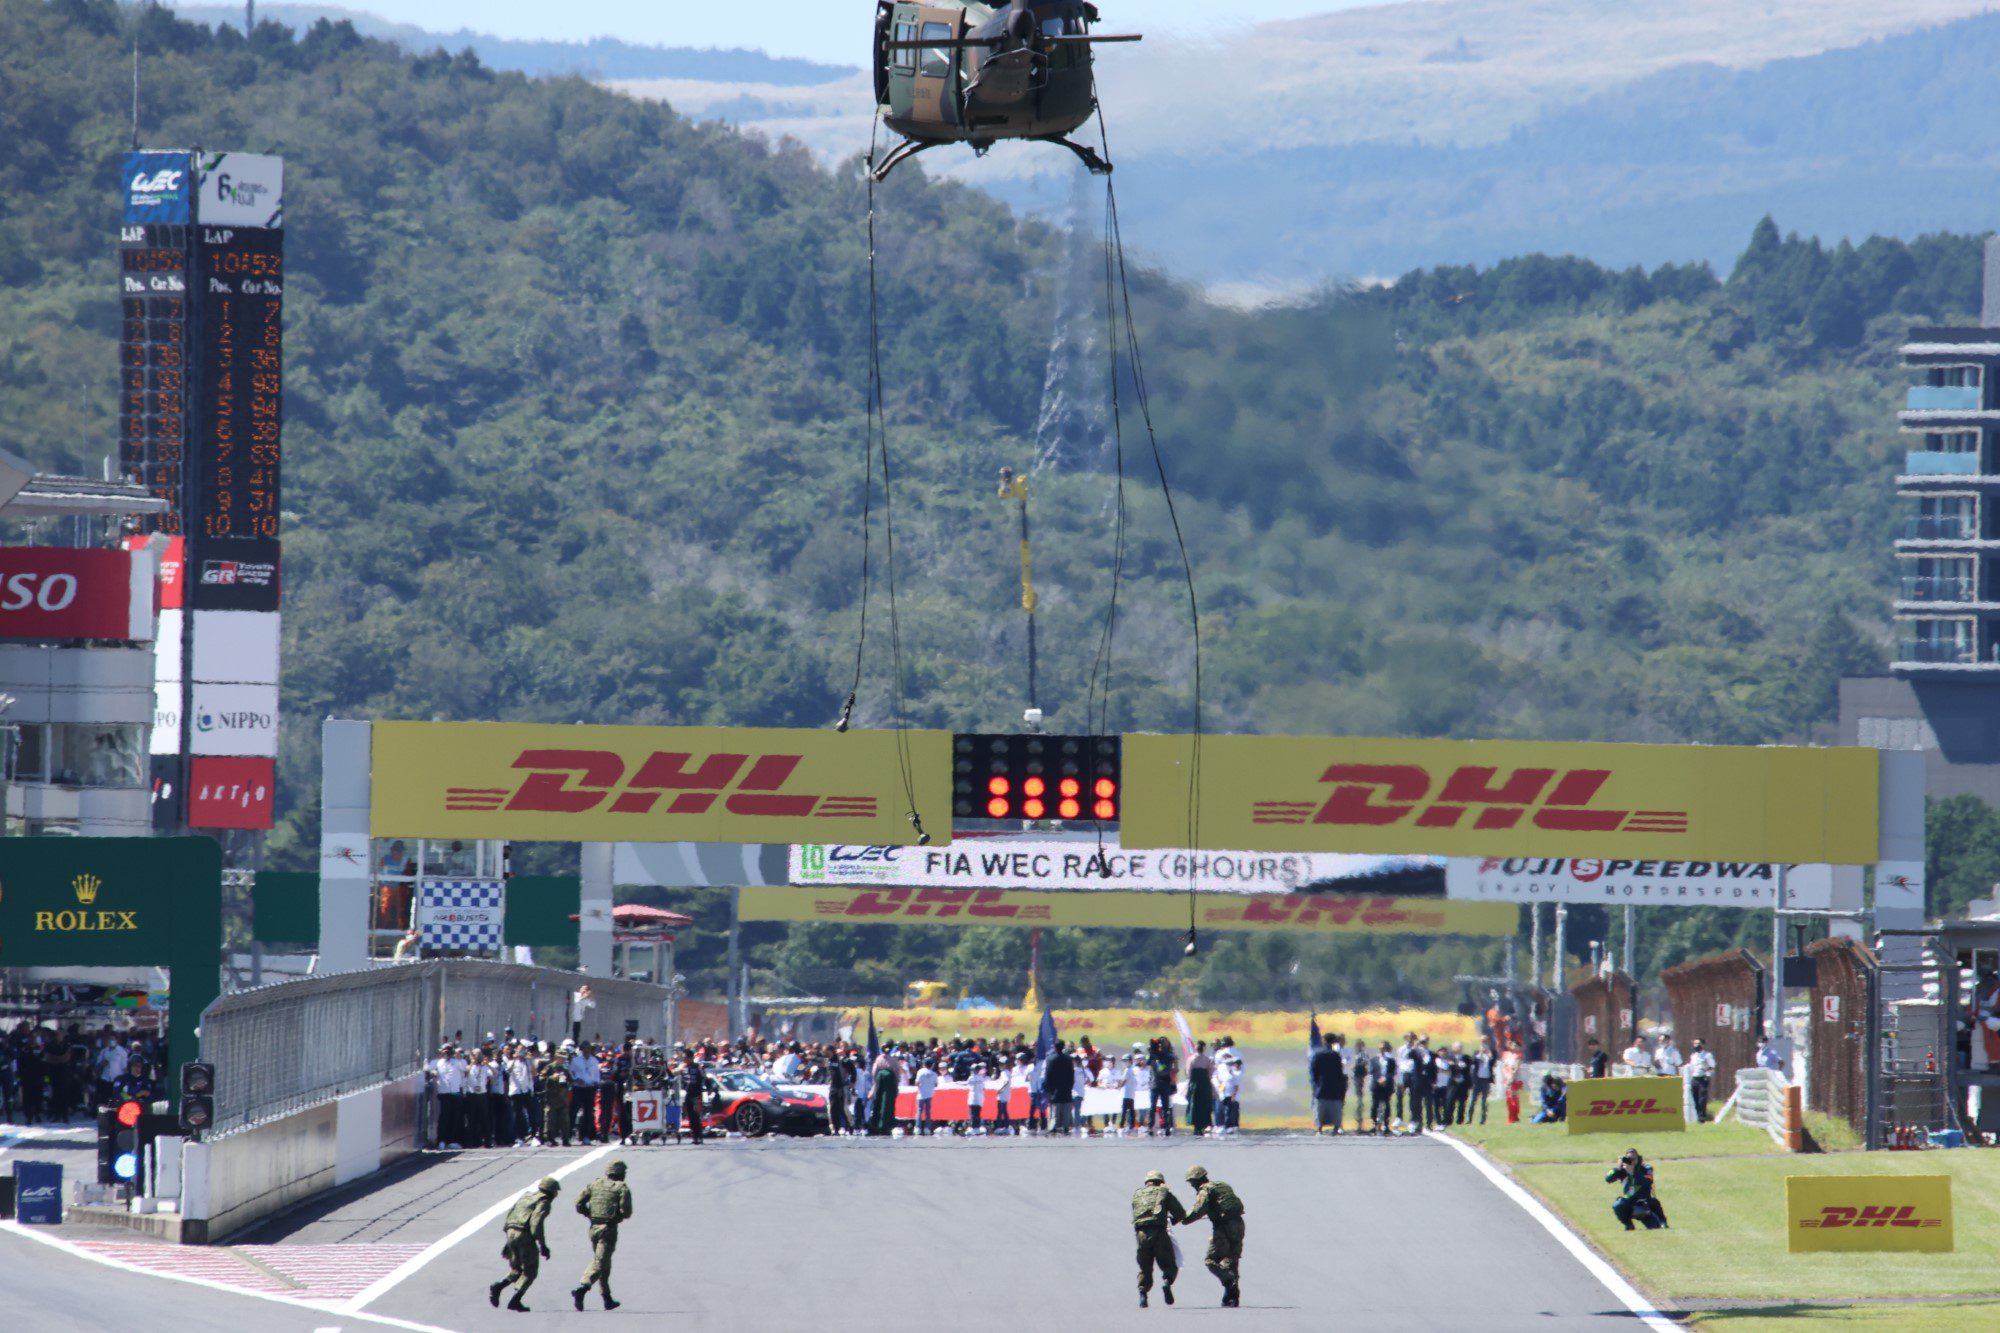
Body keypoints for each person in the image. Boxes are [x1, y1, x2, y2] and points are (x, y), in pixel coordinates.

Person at [571, 1159, 634, 1311]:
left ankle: (607, 1298)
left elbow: (578, 1203)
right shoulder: (621, 1188)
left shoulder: (595, 1184)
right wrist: (617, 1216)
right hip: (608, 1229)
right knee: (600, 1262)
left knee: (603, 1262)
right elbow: (626, 1212)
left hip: (593, 1227)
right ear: (619, 1173)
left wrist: (588, 1214)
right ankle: (583, 1287)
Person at [1180, 1165, 1246, 1308]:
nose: (1191, 1185)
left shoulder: (1205, 1190)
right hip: (1239, 1224)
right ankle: (1231, 1298)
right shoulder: (1222, 1185)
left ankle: (1229, 1282)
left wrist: (1182, 1219)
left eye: (1191, 1182)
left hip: (1223, 1227)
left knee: (1211, 1260)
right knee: (1231, 1261)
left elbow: (1198, 1210)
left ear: (1196, 1180)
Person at [489, 1176, 558, 1312]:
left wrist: (508, 1241)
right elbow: (536, 1224)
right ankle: (515, 1300)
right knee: (530, 1271)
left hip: (511, 1231)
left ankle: (498, 1286)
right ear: (551, 1191)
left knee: (516, 1269)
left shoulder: (526, 1196)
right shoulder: (543, 1202)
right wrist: (543, 1245)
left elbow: (511, 1214)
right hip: (524, 1235)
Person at [1131, 1169, 1187, 1308]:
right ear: (1160, 1182)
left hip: (1141, 1234)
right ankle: (1167, 1282)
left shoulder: (1137, 1194)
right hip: (1159, 1233)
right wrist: (1173, 1220)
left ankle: (1143, 1294)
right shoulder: (1164, 1193)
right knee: (1169, 1264)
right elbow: (1180, 1213)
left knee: (1145, 1267)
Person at [1606, 1149, 1668, 1231]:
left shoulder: (1646, 1168)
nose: (1632, 1161)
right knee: (1618, 1205)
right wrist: (1617, 1168)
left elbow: (1647, 1181)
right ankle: (1629, 1225)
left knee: (1656, 1225)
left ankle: (1661, 1222)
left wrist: (1633, 1173)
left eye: (1634, 1159)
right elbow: (1608, 1179)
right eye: (1629, 1159)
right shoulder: (1623, 1170)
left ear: (1638, 1158)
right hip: (1630, 1204)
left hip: (1645, 1205)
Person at [1309, 1035, 1344, 1135]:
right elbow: (1339, 1073)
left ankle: (1319, 1129)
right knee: (1335, 1108)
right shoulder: (1336, 1055)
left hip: (1321, 1086)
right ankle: (1336, 1128)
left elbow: (1313, 1071)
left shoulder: (1318, 1054)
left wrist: (1316, 1083)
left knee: (1321, 1108)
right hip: (1334, 1088)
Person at [1047, 1040, 1077, 1135]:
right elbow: (1071, 1075)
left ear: (1055, 1047)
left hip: (1055, 1089)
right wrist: (1070, 1086)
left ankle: (1054, 1126)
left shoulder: (1051, 1059)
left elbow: (1048, 1075)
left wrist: (1049, 1089)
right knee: (1066, 1109)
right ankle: (1066, 1126)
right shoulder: (1068, 1059)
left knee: (1055, 1110)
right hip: (1066, 1088)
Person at [1186, 1041, 1215, 1136]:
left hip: (1199, 1083)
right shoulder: (1204, 1059)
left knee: (1200, 1104)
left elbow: (1189, 1073)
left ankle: (1200, 1126)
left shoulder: (1203, 1059)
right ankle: (1199, 1125)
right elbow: (1210, 1072)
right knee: (1198, 1104)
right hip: (1200, 1083)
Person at [1686, 1039, 1716, 1123]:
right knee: (1695, 1098)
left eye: (1698, 1043)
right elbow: (1691, 1067)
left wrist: (1707, 1073)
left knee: (1702, 1098)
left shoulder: (1707, 1055)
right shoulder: (1693, 1056)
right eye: (1694, 1043)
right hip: (1695, 1078)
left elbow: (1712, 1066)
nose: (1696, 1045)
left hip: (1703, 1078)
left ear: (1702, 1045)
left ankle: (1702, 1117)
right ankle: (1698, 1115)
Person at [1369, 1042, 1396, 1135]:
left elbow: (1392, 1072)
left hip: (1387, 1085)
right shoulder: (1374, 1060)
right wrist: (1379, 1079)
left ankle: (1386, 1125)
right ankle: (1375, 1124)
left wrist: (1385, 1079)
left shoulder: (1391, 1060)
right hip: (1376, 1085)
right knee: (1374, 1105)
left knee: (1387, 1105)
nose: (1382, 1050)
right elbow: (1372, 1071)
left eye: (1383, 1048)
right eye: (1380, 1048)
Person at [682, 1052, 707, 1145]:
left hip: (697, 1095)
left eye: (686, 1057)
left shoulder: (698, 1067)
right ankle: (694, 1136)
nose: (684, 1059)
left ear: (691, 1058)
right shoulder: (684, 1068)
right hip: (688, 1094)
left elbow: (705, 1078)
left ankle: (699, 1136)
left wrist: (707, 1089)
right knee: (690, 1116)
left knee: (696, 1116)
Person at [1470, 1042, 1495, 1124]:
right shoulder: (1477, 1056)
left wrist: (1490, 1055)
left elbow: (1493, 1063)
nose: (1484, 1049)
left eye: (1485, 1048)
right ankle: (1469, 1118)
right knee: (1473, 1100)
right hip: (1477, 1081)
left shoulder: (1489, 1057)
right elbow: (1473, 1061)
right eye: (1482, 1048)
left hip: (1486, 1081)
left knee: (1484, 1101)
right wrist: (1480, 1054)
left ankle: (1483, 1119)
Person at [915, 1059, 938, 1136]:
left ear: (924, 1064)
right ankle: (927, 1128)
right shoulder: (934, 1074)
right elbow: (936, 1084)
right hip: (929, 1094)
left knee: (919, 1111)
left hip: (921, 1094)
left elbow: (917, 1083)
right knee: (928, 1112)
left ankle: (918, 1128)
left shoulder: (920, 1072)